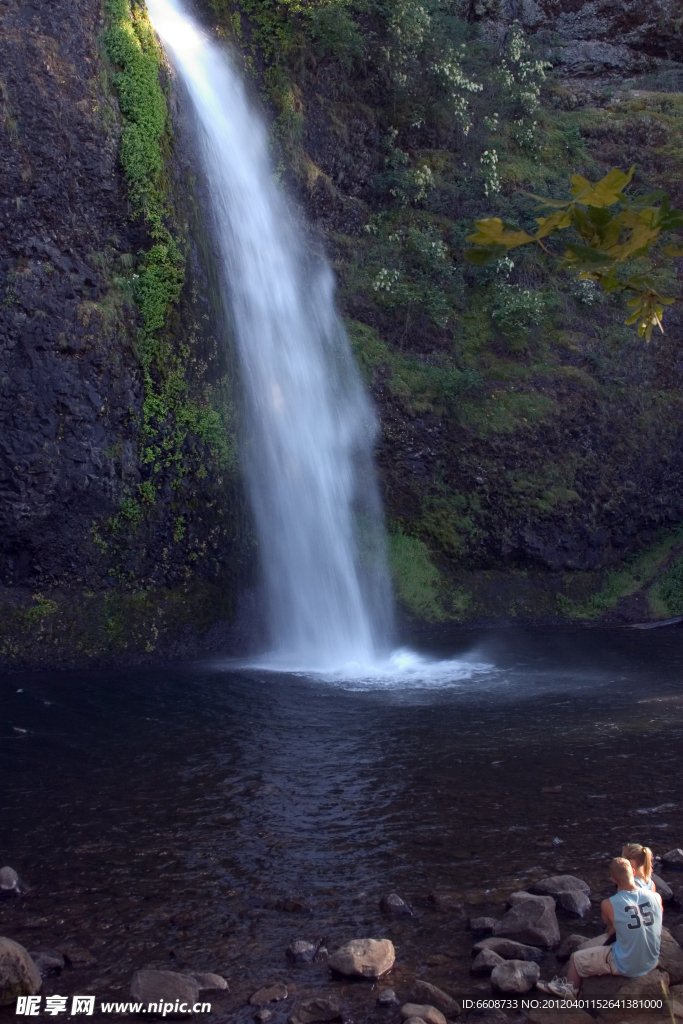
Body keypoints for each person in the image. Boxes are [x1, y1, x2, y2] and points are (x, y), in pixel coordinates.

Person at [537, 856, 662, 998]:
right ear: (633, 872)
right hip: (653, 960)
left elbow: (611, 929)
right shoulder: (655, 896)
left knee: (575, 959)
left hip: (629, 967)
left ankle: (570, 991)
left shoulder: (609, 904)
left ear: (612, 879)